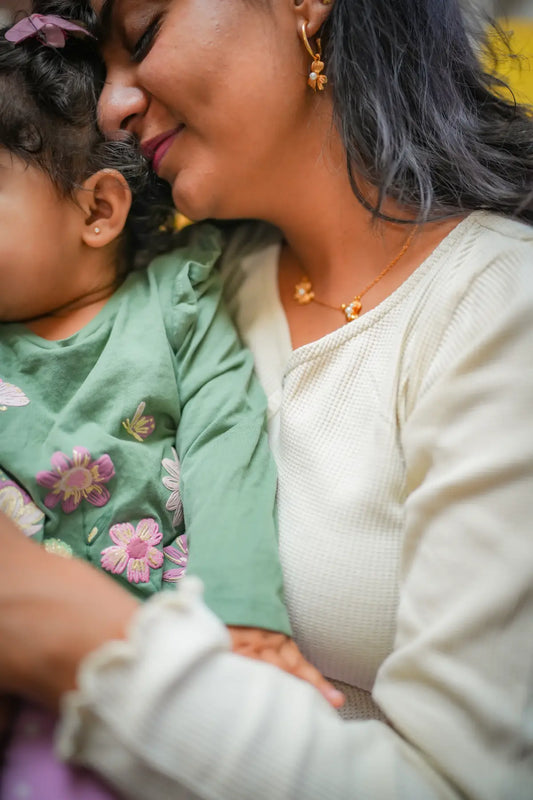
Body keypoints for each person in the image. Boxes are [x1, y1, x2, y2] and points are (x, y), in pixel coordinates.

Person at [0, 0, 532, 797]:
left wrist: (65, 634)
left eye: (143, 36)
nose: (114, 105)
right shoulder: (181, 290)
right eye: (103, 72)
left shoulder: (496, 306)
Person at [0, 11, 341, 800]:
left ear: (98, 211)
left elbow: (229, 442)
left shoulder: (178, 302)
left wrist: (245, 616)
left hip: (172, 666)